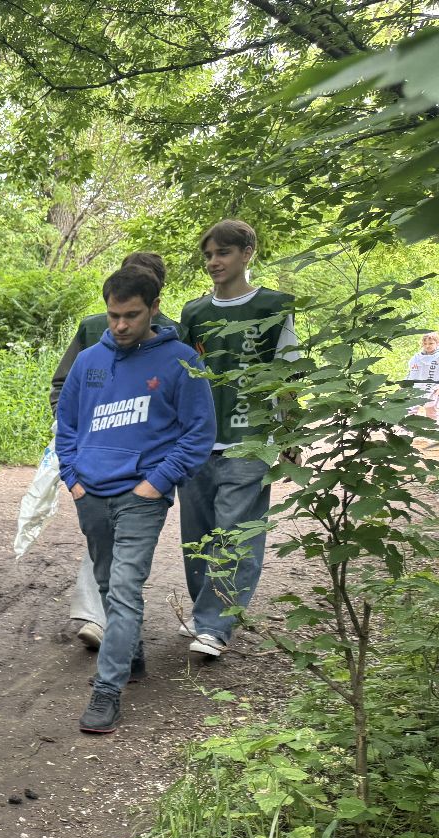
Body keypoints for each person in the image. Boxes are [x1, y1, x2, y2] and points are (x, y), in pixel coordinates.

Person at [56, 266, 215, 734]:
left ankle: (107, 692)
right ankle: (132, 654)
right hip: (91, 492)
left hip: (142, 495)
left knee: (124, 588)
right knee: (106, 584)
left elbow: (200, 433)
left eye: (131, 315)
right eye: (113, 316)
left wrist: (157, 481)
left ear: (154, 309)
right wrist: (73, 477)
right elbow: (66, 425)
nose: (120, 326)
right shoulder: (89, 361)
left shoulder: (181, 361)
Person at [177, 219, 298, 659]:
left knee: (236, 536)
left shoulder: (274, 306)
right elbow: (182, 374)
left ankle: (214, 626)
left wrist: (289, 431)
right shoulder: (194, 314)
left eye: (223, 253)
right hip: (197, 442)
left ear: (247, 252)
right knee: (198, 537)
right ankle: (205, 613)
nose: (214, 262)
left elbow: (287, 373)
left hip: (251, 440)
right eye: (208, 255)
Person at [49, 252, 178, 652]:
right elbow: (62, 385)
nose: (121, 323)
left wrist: (161, 471)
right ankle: (96, 617)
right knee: (101, 545)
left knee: (128, 557)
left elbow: (184, 398)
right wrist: (78, 434)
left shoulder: (176, 336)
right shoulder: (92, 330)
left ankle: (121, 648)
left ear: (155, 297)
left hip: (145, 468)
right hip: (94, 460)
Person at [406, 331, 439, 423]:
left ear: (437, 343)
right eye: (425, 343)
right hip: (417, 387)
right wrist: (406, 384)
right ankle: (407, 432)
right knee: (410, 409)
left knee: (431, 411)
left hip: (434, 388)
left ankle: (433, 432)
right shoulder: (417, 357)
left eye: (431, 343)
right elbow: (412, 372)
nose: (427, 346)